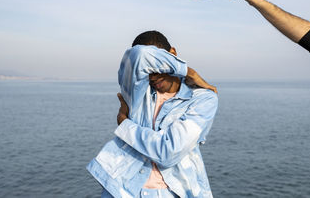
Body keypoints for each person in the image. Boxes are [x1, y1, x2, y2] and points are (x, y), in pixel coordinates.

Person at [87, 31, 218, 198]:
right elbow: (139, 55)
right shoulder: (139, 92)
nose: (152, 76)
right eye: (148, 69)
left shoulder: (203, 99)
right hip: (124, 191)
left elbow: (168, 152)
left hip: (174, 192)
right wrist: (188, 72)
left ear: (172, 54)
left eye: (158, 66)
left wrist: (125, 125)